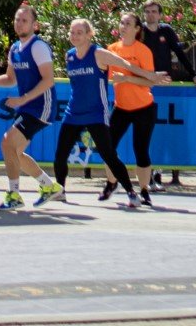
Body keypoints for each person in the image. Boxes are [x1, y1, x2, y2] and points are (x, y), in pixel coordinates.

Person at [55, 18, 166, 210]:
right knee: (60, 155)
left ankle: (132, 192)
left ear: (89, 34)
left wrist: (151, 76)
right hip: (73, 112)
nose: (75, 36)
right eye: (72, 32)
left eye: (79, 32)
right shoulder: (69, 56)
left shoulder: (99, 53)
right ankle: (60, 190)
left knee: (109, 155)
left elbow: (127, 65)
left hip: (96, 113)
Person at [0, 4, 61, 210]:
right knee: (15, 152)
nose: (19, 23)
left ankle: (14, 195)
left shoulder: (38, 47)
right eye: (17, 19)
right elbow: (10, 79)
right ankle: (48, 186)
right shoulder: (15, 49)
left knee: (8, 143)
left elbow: (49, 80)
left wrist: (22, 99)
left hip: (41, 107)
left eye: (24, 20)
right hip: (28, 107)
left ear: (35, 25)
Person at [100, 12, 162, 205]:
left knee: (141, 150)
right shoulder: (111, 49)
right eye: (122, 23)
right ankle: (112, 182)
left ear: (137, 29)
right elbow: (105, 75)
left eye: (129, 23)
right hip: (121, 107)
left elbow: (150, 81)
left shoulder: (143, 50)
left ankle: (144, 190)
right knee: (107, 147)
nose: (124, 26)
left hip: (144, 107)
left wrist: (127, 78)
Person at [141, 0, 196, 190]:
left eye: (154, 12)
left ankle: (158, 175)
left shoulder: (166, 31)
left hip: (165, 88)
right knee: (146, 132)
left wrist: (195, 76)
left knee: (162, 131)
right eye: (147, 12)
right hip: (145, 86)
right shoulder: (139, 32)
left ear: (160, 15)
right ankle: (146, 176)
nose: (151, 15)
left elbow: (180, 53)